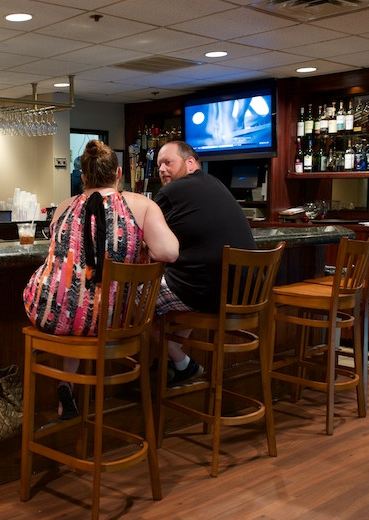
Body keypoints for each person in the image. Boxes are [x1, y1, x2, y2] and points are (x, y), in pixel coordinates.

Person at [23, 139, 180, 419]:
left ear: (83, 178)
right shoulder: (140, 205)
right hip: (114, 321)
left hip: (52, 314)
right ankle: (72, 388)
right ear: (119, 174)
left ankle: (66, 384)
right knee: (95, 305)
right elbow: (169, 251)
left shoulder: (63, 207)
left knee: (80, 301)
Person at [154, 141, 255, 385]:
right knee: (181, 282)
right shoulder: (215, 183)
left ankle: (180, 362)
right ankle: (172, 361)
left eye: (168, 162)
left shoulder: (172, 192)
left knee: (131, 301)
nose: (162, 170)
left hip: (208, 292)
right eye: (158, 165)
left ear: (190, 163)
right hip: (246, 294)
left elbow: (143, 230)